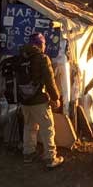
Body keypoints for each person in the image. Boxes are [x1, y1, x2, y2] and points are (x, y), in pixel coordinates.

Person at [19, 33, 64, 168]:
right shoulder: (42, 58)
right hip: (39, 100)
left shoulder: (20, 57)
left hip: (24, 100)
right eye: (44, 44)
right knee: (47, 127)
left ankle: (28, 154)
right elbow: (49, 81)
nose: (45, 46)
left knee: (29, 127)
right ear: (40, 44)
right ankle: (50, 157)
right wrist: (56, 98)